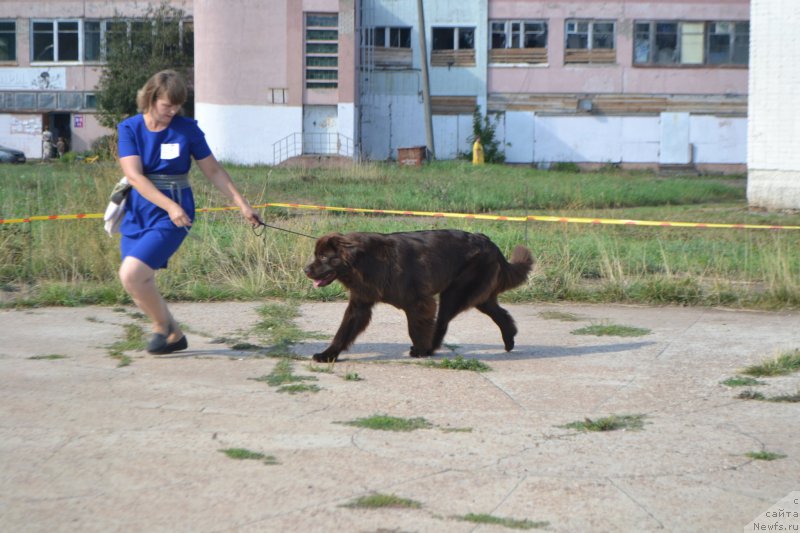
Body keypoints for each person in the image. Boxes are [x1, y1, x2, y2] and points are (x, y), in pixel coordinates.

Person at [117, 69, 263, 355]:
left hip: (176, 211)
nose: (173, 111)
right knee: (137, 279)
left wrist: (242, 204)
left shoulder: (187, 129)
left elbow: (213, 170)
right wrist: (167, 205)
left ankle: (162, 329)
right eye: (166, 105)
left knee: (132, 274)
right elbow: (134, 176)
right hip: (139, 210)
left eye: (177, 105)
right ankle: (174, 334)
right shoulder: (129, 128)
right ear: (150, 98)